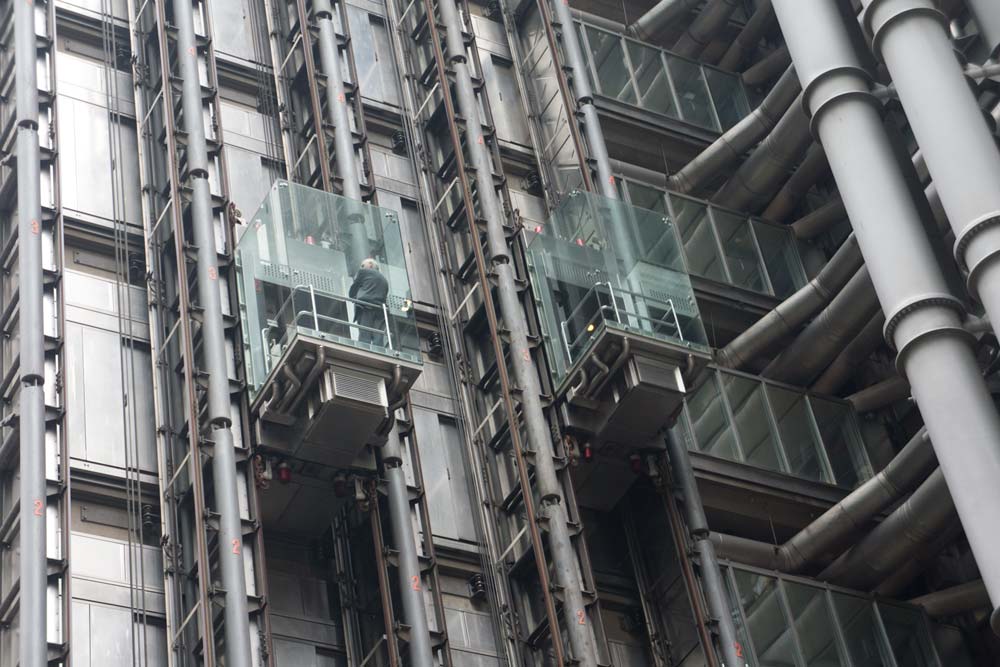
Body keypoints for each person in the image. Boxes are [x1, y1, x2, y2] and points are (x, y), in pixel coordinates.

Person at [349, 258, 389, 346]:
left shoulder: (363, 272)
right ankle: (379, 352)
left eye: (363, 266)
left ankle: (364, 351)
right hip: (380, 310)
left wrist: (356, 295)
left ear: (370, 265)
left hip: (366, 306)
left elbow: (352, 292)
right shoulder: (384, 280)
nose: (361, 268)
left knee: (364, 335)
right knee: (378, 335)